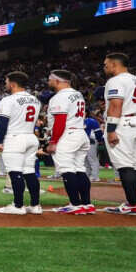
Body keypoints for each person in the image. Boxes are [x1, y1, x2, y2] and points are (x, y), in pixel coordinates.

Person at [101, 52, 136, 214]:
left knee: (125, 165)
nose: (104, 67)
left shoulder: (116, 80)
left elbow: (116, 105)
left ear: (114, 64)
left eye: (106, 65)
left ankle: (132, 204)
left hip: (123, 122)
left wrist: (111, 129)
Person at [0, 71, 43, 215]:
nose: (6, 84)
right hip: (30, 136)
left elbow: (2, 123)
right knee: (29, 172)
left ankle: (18, 205)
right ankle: (35, 205)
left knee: (15, 172)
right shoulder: (35, 100)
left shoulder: (8, 100)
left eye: (7, 81)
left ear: (13, 84)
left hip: (15, 137)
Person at [44, 69, 94, 215]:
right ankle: (86, 204)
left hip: (67, 134)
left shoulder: (60, 97)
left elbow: (60, 120)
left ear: (58, 81)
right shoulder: (77, 94)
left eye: (50, 79)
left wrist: (53, 141)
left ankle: (75, 204)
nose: (49, 82)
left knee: (67, 169)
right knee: (79, 168)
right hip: (80, 132)